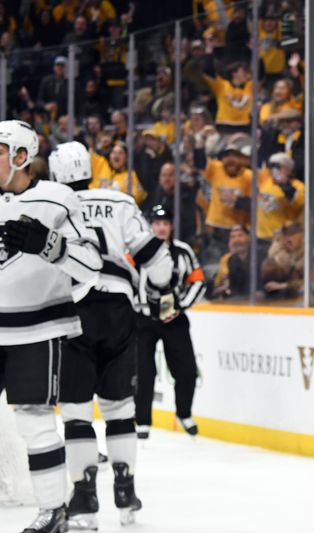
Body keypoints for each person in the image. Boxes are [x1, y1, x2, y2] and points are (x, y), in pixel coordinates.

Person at [48, 141, 176, 529]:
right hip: (120, 310)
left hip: (74, 309)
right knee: (120, 408)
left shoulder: (54, 204)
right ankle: (126, 491)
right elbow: (154, 256)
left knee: (76, 413)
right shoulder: (118, 202)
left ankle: (85, 498)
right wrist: (161, 289)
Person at [0, 121, 102, 533]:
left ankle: (53, 511)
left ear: (20, 156)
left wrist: (48, 245)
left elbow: (93, 265)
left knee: (35, 420)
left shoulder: (58, 200)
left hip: (37, 330)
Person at [135, 205, 206, 440]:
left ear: (171, 226)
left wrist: (181, 304)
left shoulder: (183, 251)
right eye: (156, 223)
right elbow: (123, 277)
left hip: (173, 318)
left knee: (186, 370)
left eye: (165, 223)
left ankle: (184, 413)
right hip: (143, 318)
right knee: (143, 372)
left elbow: (198, 281)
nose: (161, 227)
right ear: (150, 225)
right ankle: (142, 421)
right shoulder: (136, 250)